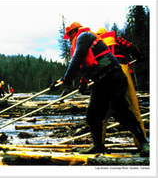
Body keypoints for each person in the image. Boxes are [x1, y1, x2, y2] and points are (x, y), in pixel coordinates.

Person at [50, 22, 149, 156]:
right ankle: (98, 146)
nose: (70, 39)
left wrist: (67, 78)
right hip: (101, 80)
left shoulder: (84, 36)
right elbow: (83, 68)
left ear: (75, 31)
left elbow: (77, 59)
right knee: (93, 115)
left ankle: (143, 144)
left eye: (70, 35)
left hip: (113, 75)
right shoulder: (82, 41)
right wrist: (65, 81)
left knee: (121, 113)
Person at [96, 28, 146, 149]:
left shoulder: (96, 44)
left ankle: (99, 144)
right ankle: (142, 144)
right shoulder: (116, 39)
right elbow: (131, 46)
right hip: (122, 69)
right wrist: (138, 57)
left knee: (101, 112)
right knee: (133, 107)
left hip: (105, 73)